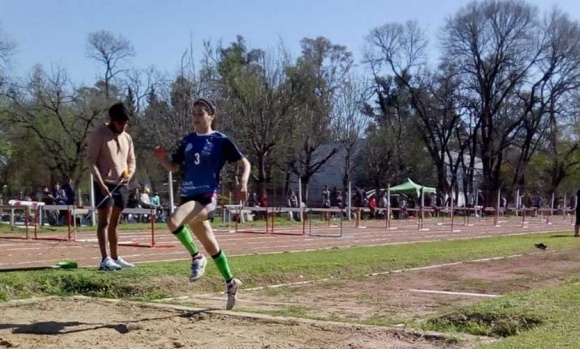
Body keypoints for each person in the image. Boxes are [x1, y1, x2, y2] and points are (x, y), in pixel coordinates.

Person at [153, 97, 250, 310]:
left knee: (173, 220)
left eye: (201, 113)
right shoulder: (187, 140)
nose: (196, 117)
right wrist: (161, 159)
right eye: (194, 113)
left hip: (206, 197)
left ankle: (197, 257)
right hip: (188, 195)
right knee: (212, 246)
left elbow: (245, 163)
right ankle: (231, 282)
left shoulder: (220, 140)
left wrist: (243, 182)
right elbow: (173, 167)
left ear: (211, 116)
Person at [87, 102, 136, 271]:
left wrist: (129, 174)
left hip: (121, 184)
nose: (123, 126)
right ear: (112, 120)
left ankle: (115, 257)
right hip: (104, 183)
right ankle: (104, 258)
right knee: (104, 221)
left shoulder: (127, 137)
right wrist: (100, 183)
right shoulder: (98, 134)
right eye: (120, 122)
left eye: (125, 123)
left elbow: (131, 161)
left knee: (115, 222)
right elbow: (91, 161)